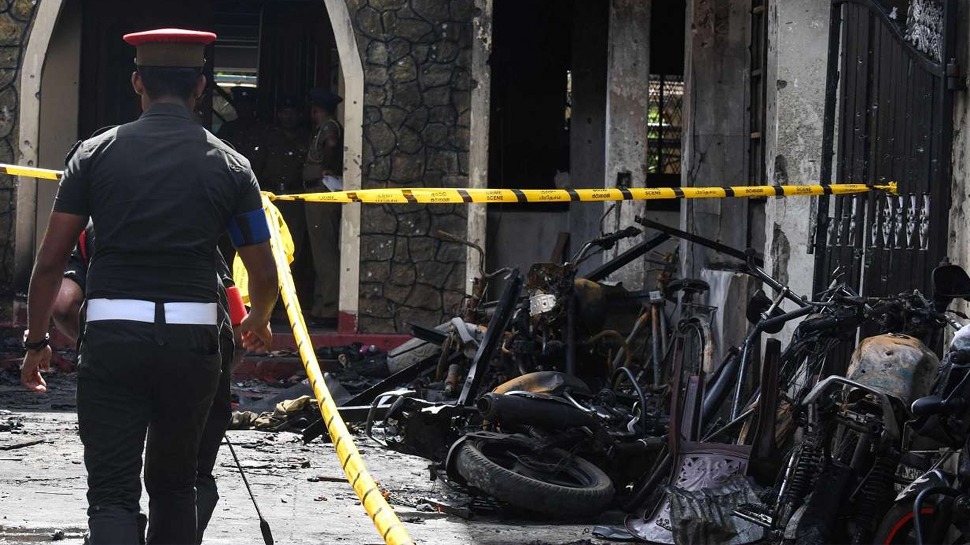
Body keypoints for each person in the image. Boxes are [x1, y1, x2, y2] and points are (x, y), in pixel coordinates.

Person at [20, 28, 278, 544]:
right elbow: (264, 272)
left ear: (137, 82)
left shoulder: (92, 156)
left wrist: (36, 342)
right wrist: (258, 317)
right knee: (176, 487)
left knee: (112, 495)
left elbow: (49, 265)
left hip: (113, 337)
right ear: (200, 87)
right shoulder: (233, 166)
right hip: (193, 342)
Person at [50, 224, 243, 545]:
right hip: (197, 348)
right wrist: (213, 378)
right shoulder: (198, 222)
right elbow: (237, 323)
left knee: (114, 491)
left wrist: (88, 346)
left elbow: (64, 303)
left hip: (116, 347)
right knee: (184, 481)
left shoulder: (95, 225)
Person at [259, 95, 311, 305]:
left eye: (291, 113)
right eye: (283, 113)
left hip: (295, 198)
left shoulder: (306, 138)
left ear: (298, 115)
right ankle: (270, 299)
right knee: (268, 248)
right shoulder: (269, 137)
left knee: (294, 249)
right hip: (271, 198)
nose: (287, 117)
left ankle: (289, 300)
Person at [302, 88, 344, 327]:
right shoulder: (323, 127)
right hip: (316, 191)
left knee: (325, 252)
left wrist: (328, 166)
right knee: (319, 253)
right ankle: (321, 305)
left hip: (323, 190)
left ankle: (329, 307)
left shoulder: (329, 127)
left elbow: (332, 144)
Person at [216, 86, 264, 167]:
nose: (243, 108)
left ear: (253, 106)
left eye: (247, 105)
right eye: (240, 105)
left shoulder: (263, 130)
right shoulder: (227, 129)